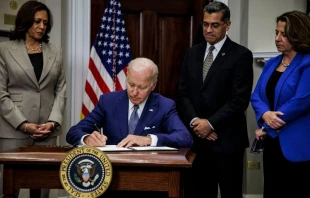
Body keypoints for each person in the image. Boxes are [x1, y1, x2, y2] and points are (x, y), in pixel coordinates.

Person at [177, 2, 253, 198]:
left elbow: (239, 99)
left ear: (227, 25)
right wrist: (197, 123)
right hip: (197, 142)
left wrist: (210, 124)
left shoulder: (241, 55)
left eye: (215, 25)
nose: (208, 30)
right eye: (205, 24)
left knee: (230, 193)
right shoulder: (192, 53)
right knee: (198, 193)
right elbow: (183, 93)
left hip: (227, 141)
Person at [0, 1, 66, 198]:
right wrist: (23, 124)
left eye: (45, 23)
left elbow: (61, 90)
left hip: (47, 129)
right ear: (26, 21)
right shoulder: (4, 49)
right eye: (37, 21)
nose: (41, 27)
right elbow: (1, 93)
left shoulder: (56, 51)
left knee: (43, 187)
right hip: (13, 129)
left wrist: (53, 122)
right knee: (10, 188)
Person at [66, 57, 193, 148]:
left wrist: (148, 140)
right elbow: (73, 132)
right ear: (126, 77)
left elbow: (185, 138)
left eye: (142, 87)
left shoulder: (164, 105)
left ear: (153, 85)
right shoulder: (108, 102)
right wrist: (87, 139)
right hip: (112, 171)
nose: (134, 92)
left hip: (150, 172)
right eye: (131, 84)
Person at [251, 10, 310, 198]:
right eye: (276, 33)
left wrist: (267, 126)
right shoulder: (272, 63)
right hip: (273, 144)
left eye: (283, 34)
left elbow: (300, 101)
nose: (277, 38)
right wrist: (265, 115)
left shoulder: (307, 63)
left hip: (298, 146)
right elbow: (256, 96)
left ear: (297, 34)